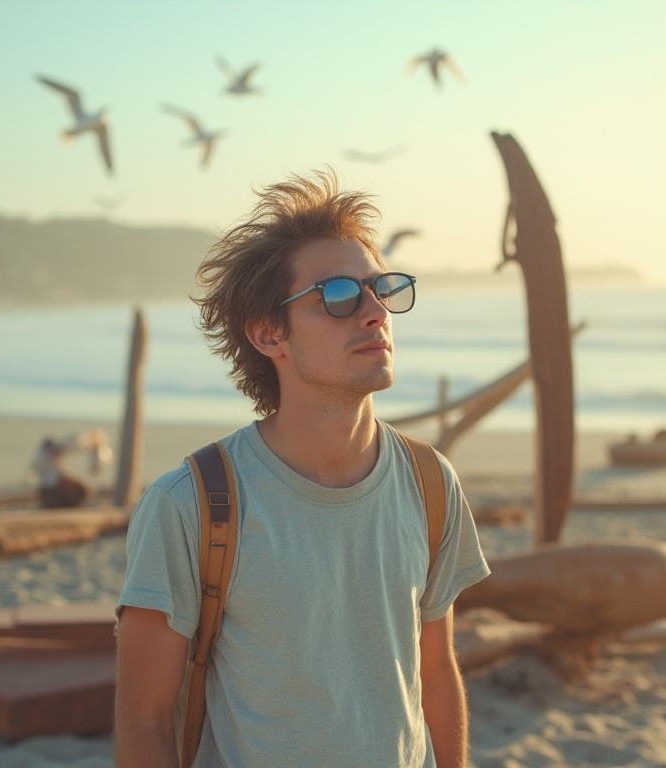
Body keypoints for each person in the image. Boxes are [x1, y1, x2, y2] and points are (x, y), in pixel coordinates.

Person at [114, 171, 490, 768]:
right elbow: (143, 721)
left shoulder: (429, 482)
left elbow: (435, 675)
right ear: (268, 334)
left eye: (381, 289)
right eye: (339, 295)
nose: (374, 313)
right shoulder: (193, 504)